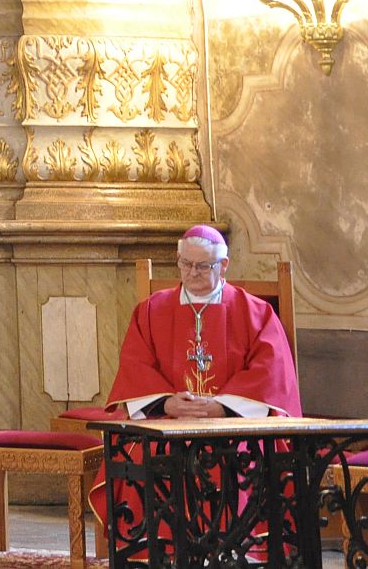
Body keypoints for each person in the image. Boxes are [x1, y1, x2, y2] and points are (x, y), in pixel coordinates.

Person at [89, 225, 302, 531]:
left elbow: (271, 374)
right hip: (167, 422)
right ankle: (157, 547)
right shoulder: (150, 311)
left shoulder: (256, 312)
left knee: (242, 453)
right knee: (142, 450)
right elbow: (135, 368)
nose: (192, 273)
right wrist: (167, 403)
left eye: (203, 266)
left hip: (235, 425)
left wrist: (224, 407)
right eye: (185, 264)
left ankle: (239, 546)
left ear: (223, 265)